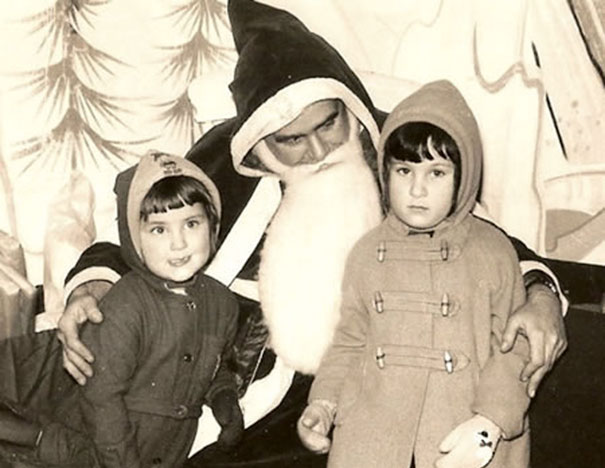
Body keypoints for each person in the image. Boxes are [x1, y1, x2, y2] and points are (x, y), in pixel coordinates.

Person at [57, 0, 565, 465]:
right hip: (249, 383)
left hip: (377, 379)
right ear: (260, 140)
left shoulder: (396, 153)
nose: (319, 151)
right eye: (292, 140)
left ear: (348, 107)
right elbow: (144, 233)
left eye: (327, 125)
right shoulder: (224, 162)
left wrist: (541, 296)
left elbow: (488, 242)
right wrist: (90, 286)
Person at [298, 80, 532, 468]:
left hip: (465, 434)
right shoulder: (366, 252)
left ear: (463, 176)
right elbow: (350, 342)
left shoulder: (492, 251)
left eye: (436, 173)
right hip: (372, 435)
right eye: (404, 170)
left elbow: (516, 349)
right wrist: (323, 403)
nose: (417, 190)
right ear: (386, 173)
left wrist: (489, 422)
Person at [0, 152, 243, 467]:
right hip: (95, 448)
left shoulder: (223, 303)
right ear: (134, 239)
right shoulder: (127, 304)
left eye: (192, 223)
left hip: (166, 452)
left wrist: (224, 397)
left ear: (213, 227)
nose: (179, 243)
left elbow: (213, 364)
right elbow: (101, 396)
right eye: (159, 229)